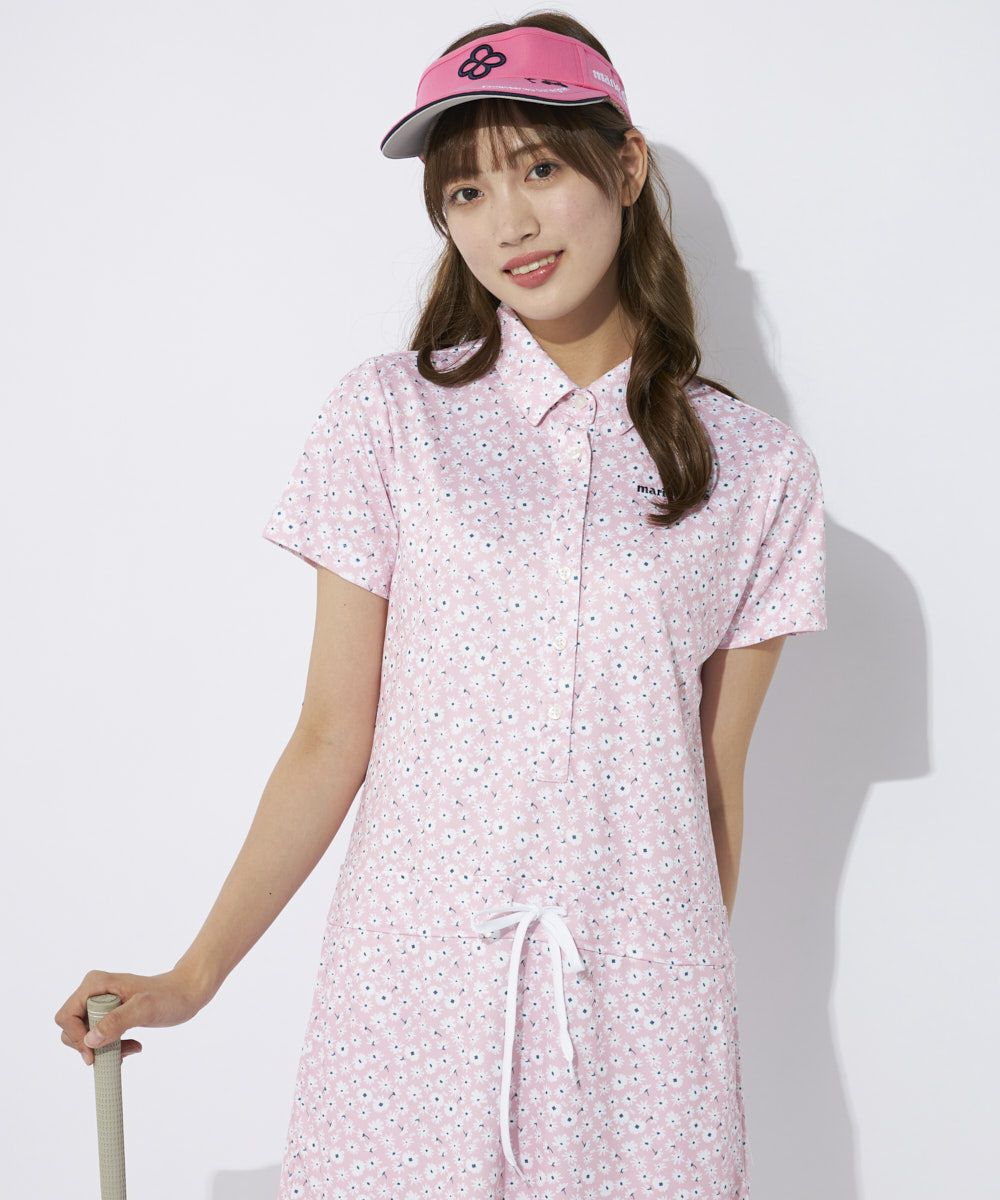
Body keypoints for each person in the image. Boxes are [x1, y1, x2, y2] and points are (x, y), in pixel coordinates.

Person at [55, 13, 828, 1198]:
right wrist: (193, 975)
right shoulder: (390, 418)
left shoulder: (757, 469)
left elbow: (710, 787)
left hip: (640, 1027)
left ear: (623, 166)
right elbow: (331, 737)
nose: (507, 223)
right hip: (412, 1006)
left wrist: (669, 1018)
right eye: (465, 191)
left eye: (539, 168)